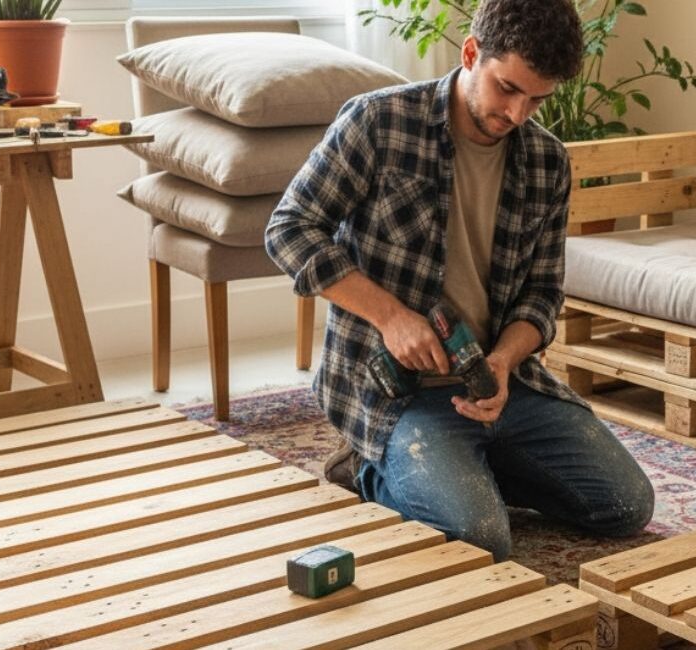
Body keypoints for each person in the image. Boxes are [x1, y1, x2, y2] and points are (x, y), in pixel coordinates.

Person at [265, 0, 654, 562]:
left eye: (537, 99)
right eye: (507, 88)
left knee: (626, 506)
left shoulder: (547, 161)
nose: (518, 113)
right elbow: (289, 230)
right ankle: (369, 468)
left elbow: (543, 294)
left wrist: (503, 362)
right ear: (471, 53)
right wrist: (392, 318)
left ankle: (468, 473)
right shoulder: (378, 122)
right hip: (402, 393)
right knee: (481, 539)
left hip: (498, 384)